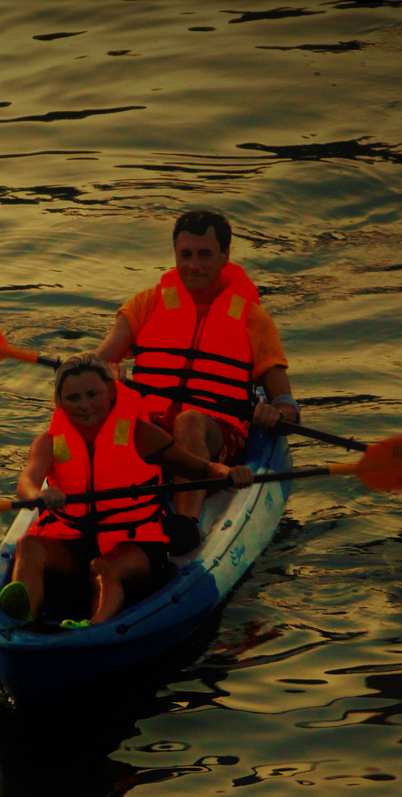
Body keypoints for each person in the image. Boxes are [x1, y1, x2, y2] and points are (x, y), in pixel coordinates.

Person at [75, 209, 300, 553]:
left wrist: (276, 414)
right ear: (176, 255)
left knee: (190, 420)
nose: (194, 265)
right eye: (186, 255)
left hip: (215, 435)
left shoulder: (253, 319)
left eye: (205, 254)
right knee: (109, 420)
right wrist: (109, 372)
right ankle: (89, 515)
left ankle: (185, 524)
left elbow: (287, 403)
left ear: (225, 256)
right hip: (154, 429)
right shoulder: (147, 303)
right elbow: (97, 362)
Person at [0, 357, 252, 627]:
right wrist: (37, 494)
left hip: (134, 544)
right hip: (73, 544)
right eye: (73, 398)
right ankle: (23, 623)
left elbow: (200, 467)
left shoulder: (138, 434)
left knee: (103, 567)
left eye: (92, 394)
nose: (84, 405)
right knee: (29, 546)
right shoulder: (49, 442)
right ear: (60, 402)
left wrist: (227, 473)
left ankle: (93, 630)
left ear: (110, 392)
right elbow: (26, 481)